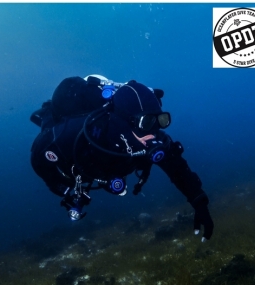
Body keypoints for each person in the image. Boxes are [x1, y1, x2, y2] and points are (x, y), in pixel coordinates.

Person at [30, 75, 214, 241]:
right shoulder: (78, 133)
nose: (153, 133)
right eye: (146, 122)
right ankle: (47, 110)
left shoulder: (152, 136)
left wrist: (199, 201)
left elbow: (177, 168)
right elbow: (38, 158)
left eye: (161, 121)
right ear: (124, 123)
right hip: (82, 156)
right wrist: (61, 185)